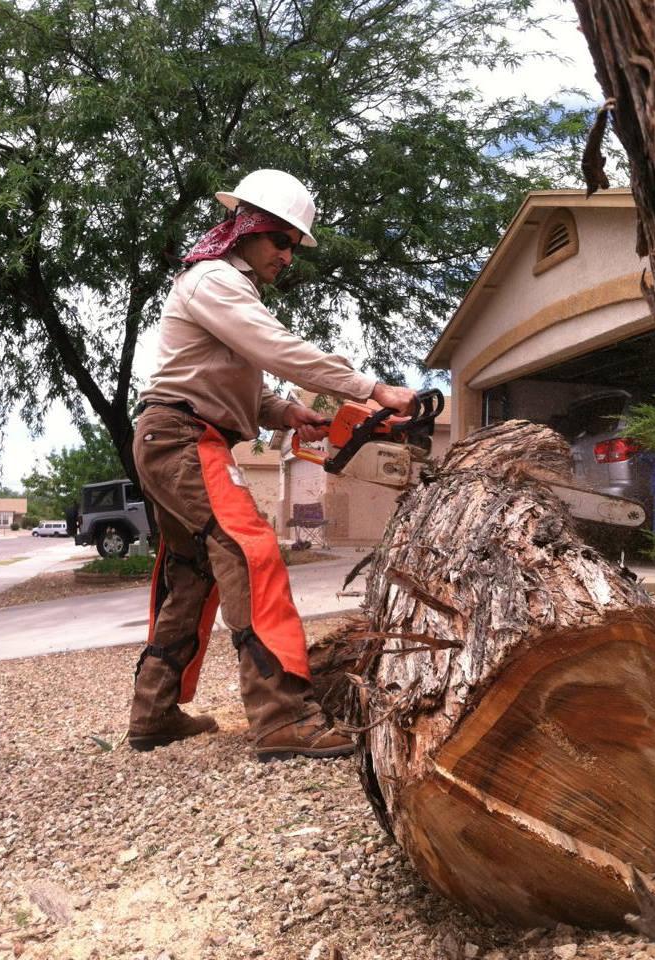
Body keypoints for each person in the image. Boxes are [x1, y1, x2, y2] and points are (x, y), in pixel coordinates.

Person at [127, 168, 416, 760]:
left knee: (193, 575)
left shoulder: (225, 291)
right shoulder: (214, 281)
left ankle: (153, 713)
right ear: (247, 229)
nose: (287, 255)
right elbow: (276, 348)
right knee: (251, 553)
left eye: (292, 245)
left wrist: (286, 412)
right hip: (183, 437)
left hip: (180, 433)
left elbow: (237, 382)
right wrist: (371, 387)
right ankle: (282, 718)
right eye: (280, 240)